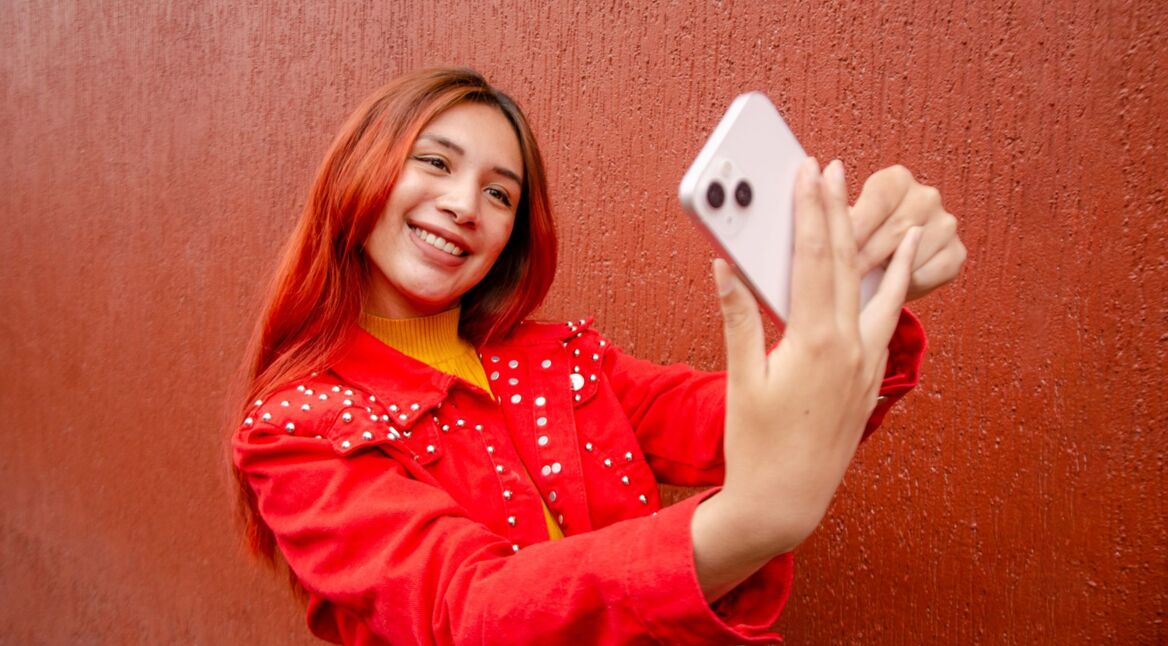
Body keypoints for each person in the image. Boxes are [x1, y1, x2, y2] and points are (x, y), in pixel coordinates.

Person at [230, 67, 965, 645]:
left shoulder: (564, 360)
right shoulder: (295, 430)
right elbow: (468, 613)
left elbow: (739, 420)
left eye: (499, 193)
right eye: (435, 162)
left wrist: (865, 293)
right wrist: (743, 525)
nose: (464, 205)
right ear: (359, 171)